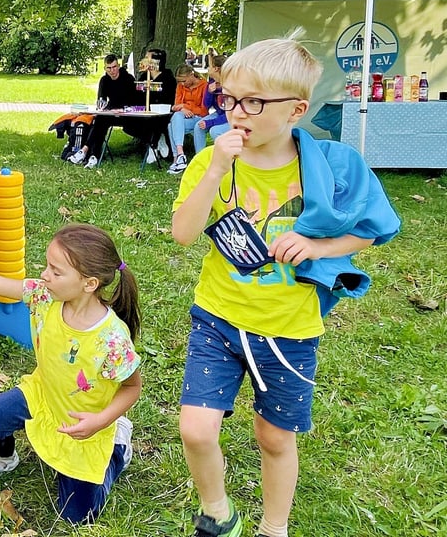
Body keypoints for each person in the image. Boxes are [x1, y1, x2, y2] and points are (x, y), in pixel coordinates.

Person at [171, 37, 400, 537]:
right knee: (195, 428)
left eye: (254, 101)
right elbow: (184, 234)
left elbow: (370, 230)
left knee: (274, 438)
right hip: (219, 316)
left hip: (289, 329)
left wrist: (318, 248)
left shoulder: (332, 168)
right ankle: (217, 512)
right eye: (228, 98)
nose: (236, 112)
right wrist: (214, 169)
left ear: (295, 109)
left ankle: (274, 528)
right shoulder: (212, 162)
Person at [0, 223, 142, 525]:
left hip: (82, 420)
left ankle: (117, 449)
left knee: (79, 516)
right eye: (47, 266)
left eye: (56, 270)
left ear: (89, 283)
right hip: (42, 394)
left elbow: (131, 388)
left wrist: (101, 421)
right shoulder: (44, 295)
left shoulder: (112, 340)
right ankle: (2, 457)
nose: (44, 275)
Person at [67, 54, 138, 168]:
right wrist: (102, 108)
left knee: (100, 121)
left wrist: (123, 109)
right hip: (111, 112)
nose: (112, 71)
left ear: (118, 66)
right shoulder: (104, 80)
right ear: (105, 68)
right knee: (100, 120)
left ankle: (85, 151)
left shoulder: (129, 79)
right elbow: (101, 99)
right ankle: (92, 154)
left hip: (127, 114)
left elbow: (135, 101)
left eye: (114, 67)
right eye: (109, 68)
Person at [129, 48, 177, 159]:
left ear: (156, 61)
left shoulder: (168, 78)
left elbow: (168, 99)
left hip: (162, 113)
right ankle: (157, 139)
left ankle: (153, 146)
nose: (144, 60)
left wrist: (153, 89)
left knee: (153, 122)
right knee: (130, 123)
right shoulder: (143, 77)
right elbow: (136, 96)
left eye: (147, 58)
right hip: (144, 112)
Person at [166, 65, 209, 174]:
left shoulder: (204, 85)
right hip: (183, 117)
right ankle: (180, 156)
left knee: (172, 124)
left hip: (198, 117)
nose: (182, 84)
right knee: (174, 121)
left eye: (184, 80)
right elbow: (175, 106)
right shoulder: (180, 86)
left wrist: (184, 107)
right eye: (180, 81)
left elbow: (203, 110)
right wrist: (182, 109)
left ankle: (177, 158)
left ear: (191, 75)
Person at [197, 55, 230, 143]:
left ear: (216, 69)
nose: (208, 68)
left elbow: (230, 113)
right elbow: (206, 105)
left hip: (230, 116)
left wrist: (210, 123)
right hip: (220, 113)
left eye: (210, 66)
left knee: (214, 131)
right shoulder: (212, 82)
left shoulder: (229, 86)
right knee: (198, 126)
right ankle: (200, 155)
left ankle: (226, 154)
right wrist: (209, 92)